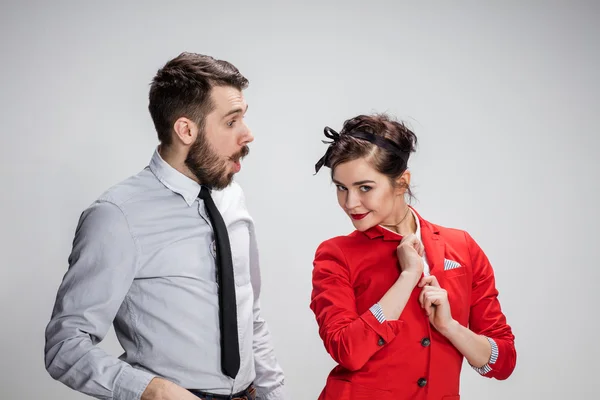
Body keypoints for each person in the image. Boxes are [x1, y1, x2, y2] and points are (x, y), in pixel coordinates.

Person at [44, 52, 286, 400]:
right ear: (186, 129)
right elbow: (65, 346)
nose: (247, 135)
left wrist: (273, 394)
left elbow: (249, 314)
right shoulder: (116, 216)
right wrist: (152, 391)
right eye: (232, 121)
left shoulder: (231, 197)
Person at [310, 114, 516, 399]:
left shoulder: (462, 246)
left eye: (365, 187)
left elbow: (502, 361)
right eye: (341, 188)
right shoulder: (335, 255)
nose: (350, 203)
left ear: (402, 182)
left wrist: (450, 328)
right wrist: (407, 278)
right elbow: (348, 352)